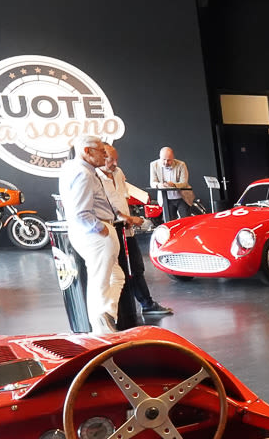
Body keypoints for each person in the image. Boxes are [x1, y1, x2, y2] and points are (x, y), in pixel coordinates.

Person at [59, 135, 125, 333]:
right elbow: (80, 213)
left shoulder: (70, 168)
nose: (105, 157)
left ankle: (106, 317)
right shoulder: (84, 174)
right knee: (101, 281)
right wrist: (101, 228)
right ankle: (103, 327)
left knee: (114, 276)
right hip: (96, 234)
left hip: (85, 233)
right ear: (87, 151)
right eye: (102, 152)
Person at [99, 146, 171, 318]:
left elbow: (121, 199)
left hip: (126, 229)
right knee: (117, 273)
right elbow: (104, 207)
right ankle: (118, 311)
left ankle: (146, 304)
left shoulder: (118, 173)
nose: (115, 163)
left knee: (137, 267)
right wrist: (128, 218)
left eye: (116, 159)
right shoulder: (95, 178)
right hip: (110, 232)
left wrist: (129, 219)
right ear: (101, 157)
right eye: (111, 160)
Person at [149, 146, 194, 221]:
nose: (166, 162)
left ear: (173, 158)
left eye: (169, 160)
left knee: (186, 221)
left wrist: (173, 185)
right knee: (169, 222)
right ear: (160, 157)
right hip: (166, 199)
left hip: (182, 198)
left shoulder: (181, 164)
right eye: (164, 160)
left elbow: (184, 183)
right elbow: (153, 182)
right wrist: (159, 185)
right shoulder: (154, 165)